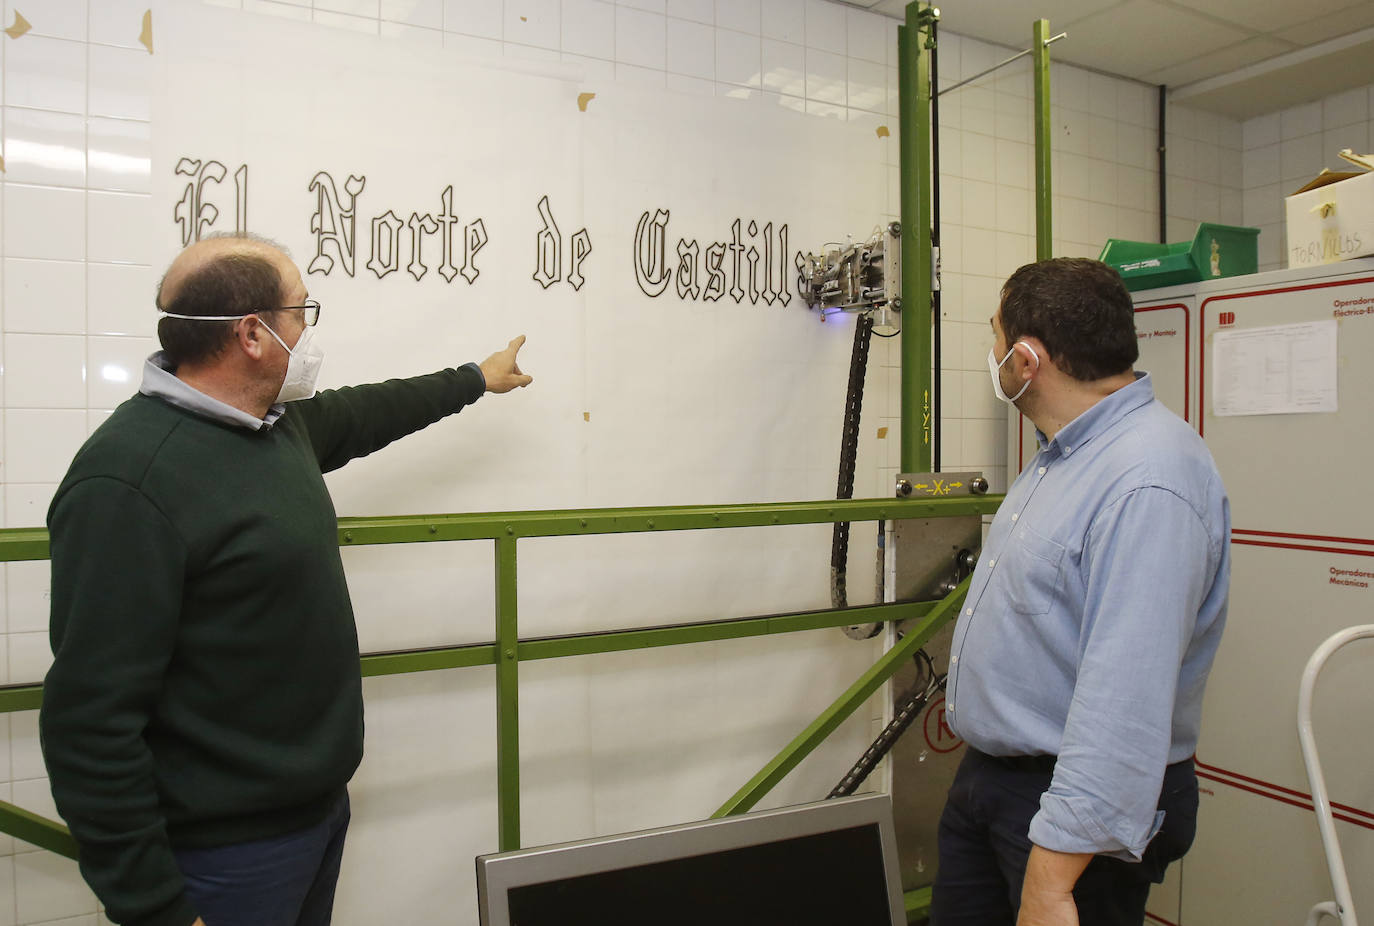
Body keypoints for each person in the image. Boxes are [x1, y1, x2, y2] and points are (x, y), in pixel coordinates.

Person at [39, 233, 532, 926]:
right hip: (223, 855)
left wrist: (476, 378)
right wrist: (156, 909)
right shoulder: (128, 481)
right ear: (251, 334)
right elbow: (89, 725)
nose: (308, 331)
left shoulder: (273, 427)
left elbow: (369, 411)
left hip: (315, 817)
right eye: (302, 311)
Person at [930, 258, 1230, 926]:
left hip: (1069, 805)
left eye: (996, 336)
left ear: (1027, 359)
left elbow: (1125, 700)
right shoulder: (1064, 454)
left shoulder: (1148, 480)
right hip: (997, 780)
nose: (992, 355)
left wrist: (1050, 883)